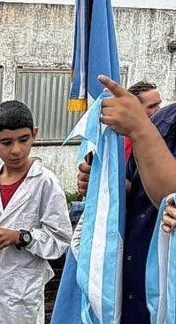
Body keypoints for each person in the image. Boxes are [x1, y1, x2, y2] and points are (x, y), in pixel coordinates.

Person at [0, 101, 72, 324]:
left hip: (21, 295)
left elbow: (60, 239)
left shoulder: (45, 183)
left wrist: (21, 237)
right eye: (6, 142)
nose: (16, 150)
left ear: (35, 134)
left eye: (23, 140)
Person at [77, 75, 176, 323]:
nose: (156, 110)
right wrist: (104, 183)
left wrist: (139, 128)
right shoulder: (165, 121)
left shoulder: (146, 128)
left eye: (157, 105)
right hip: (134, 282)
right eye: (150, 106)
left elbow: (170, 199)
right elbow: (135, 190)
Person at [123, 80, 162, 161]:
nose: (159, 110)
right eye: (152, 106)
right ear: (133, 109)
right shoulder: (130, 140)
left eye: (159, 104)